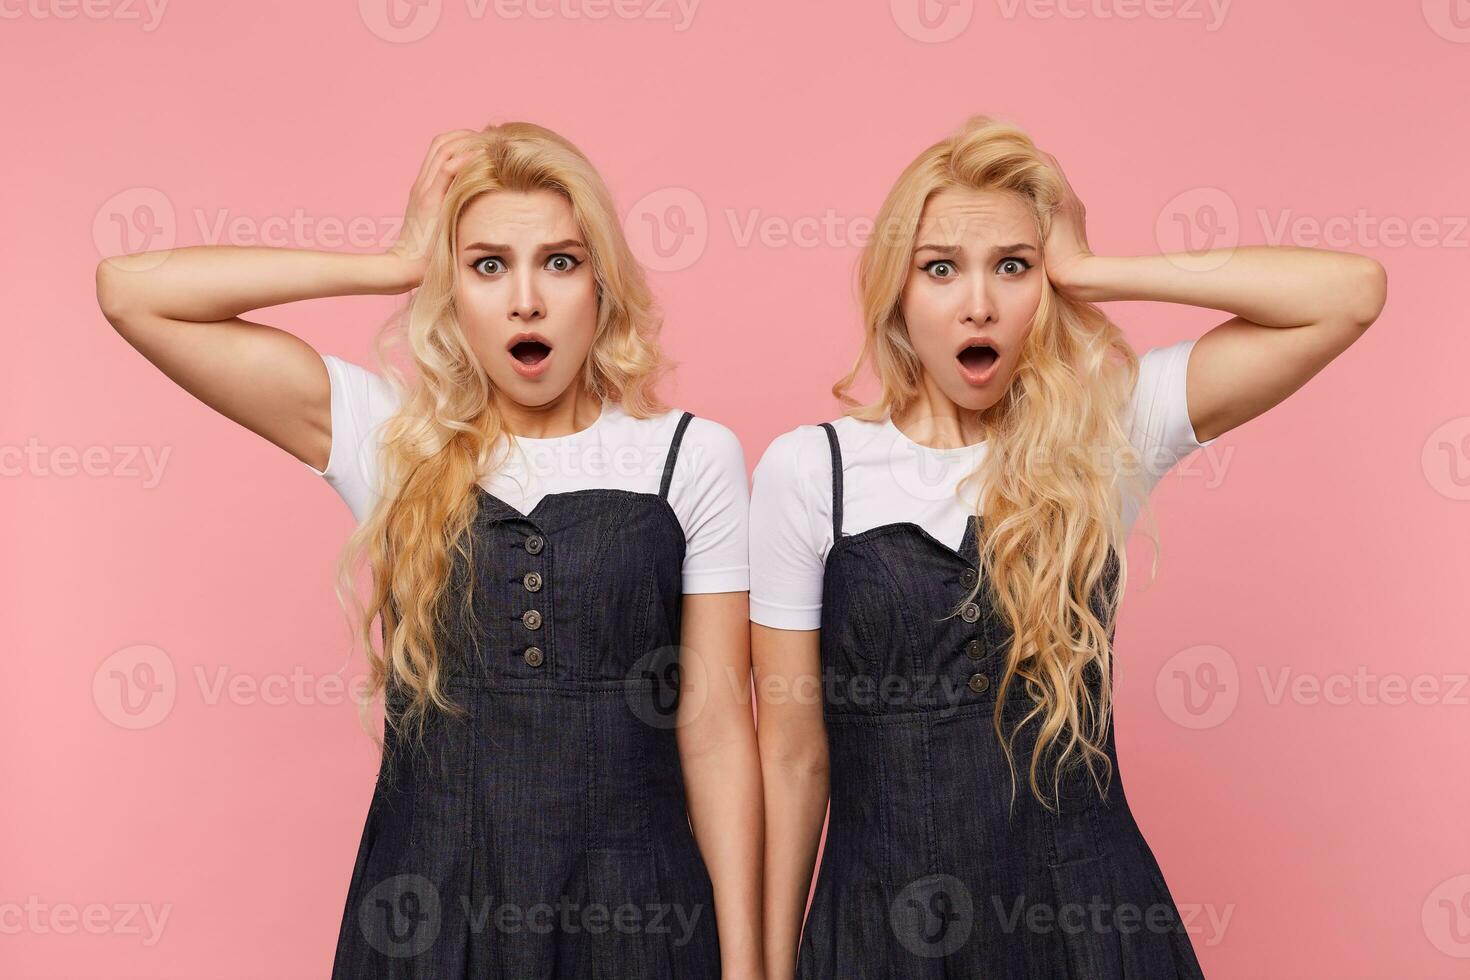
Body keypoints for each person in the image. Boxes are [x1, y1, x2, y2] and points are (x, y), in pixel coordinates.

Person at [96, 123, 765, 979]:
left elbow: (714, 732)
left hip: (637, 914)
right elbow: (131, 291)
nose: (526, 299)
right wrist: (393, 263)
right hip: (430, 912)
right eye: (487, 266)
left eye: (559, 261)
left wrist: (747, 969)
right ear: (451, 292)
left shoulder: (690, 456)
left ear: (601, 283)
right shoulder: (393, 438)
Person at [750, 114, 1387, 978]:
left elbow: (1349, 293)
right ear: (897, 291)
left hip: (1090, 930)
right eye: (941, 268)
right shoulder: (810, 471)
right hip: (882, 937)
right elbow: (792, 756)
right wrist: (769, 966)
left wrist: (1094, 269)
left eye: (1013, 267)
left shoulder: (1103, 432)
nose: (979, 302)